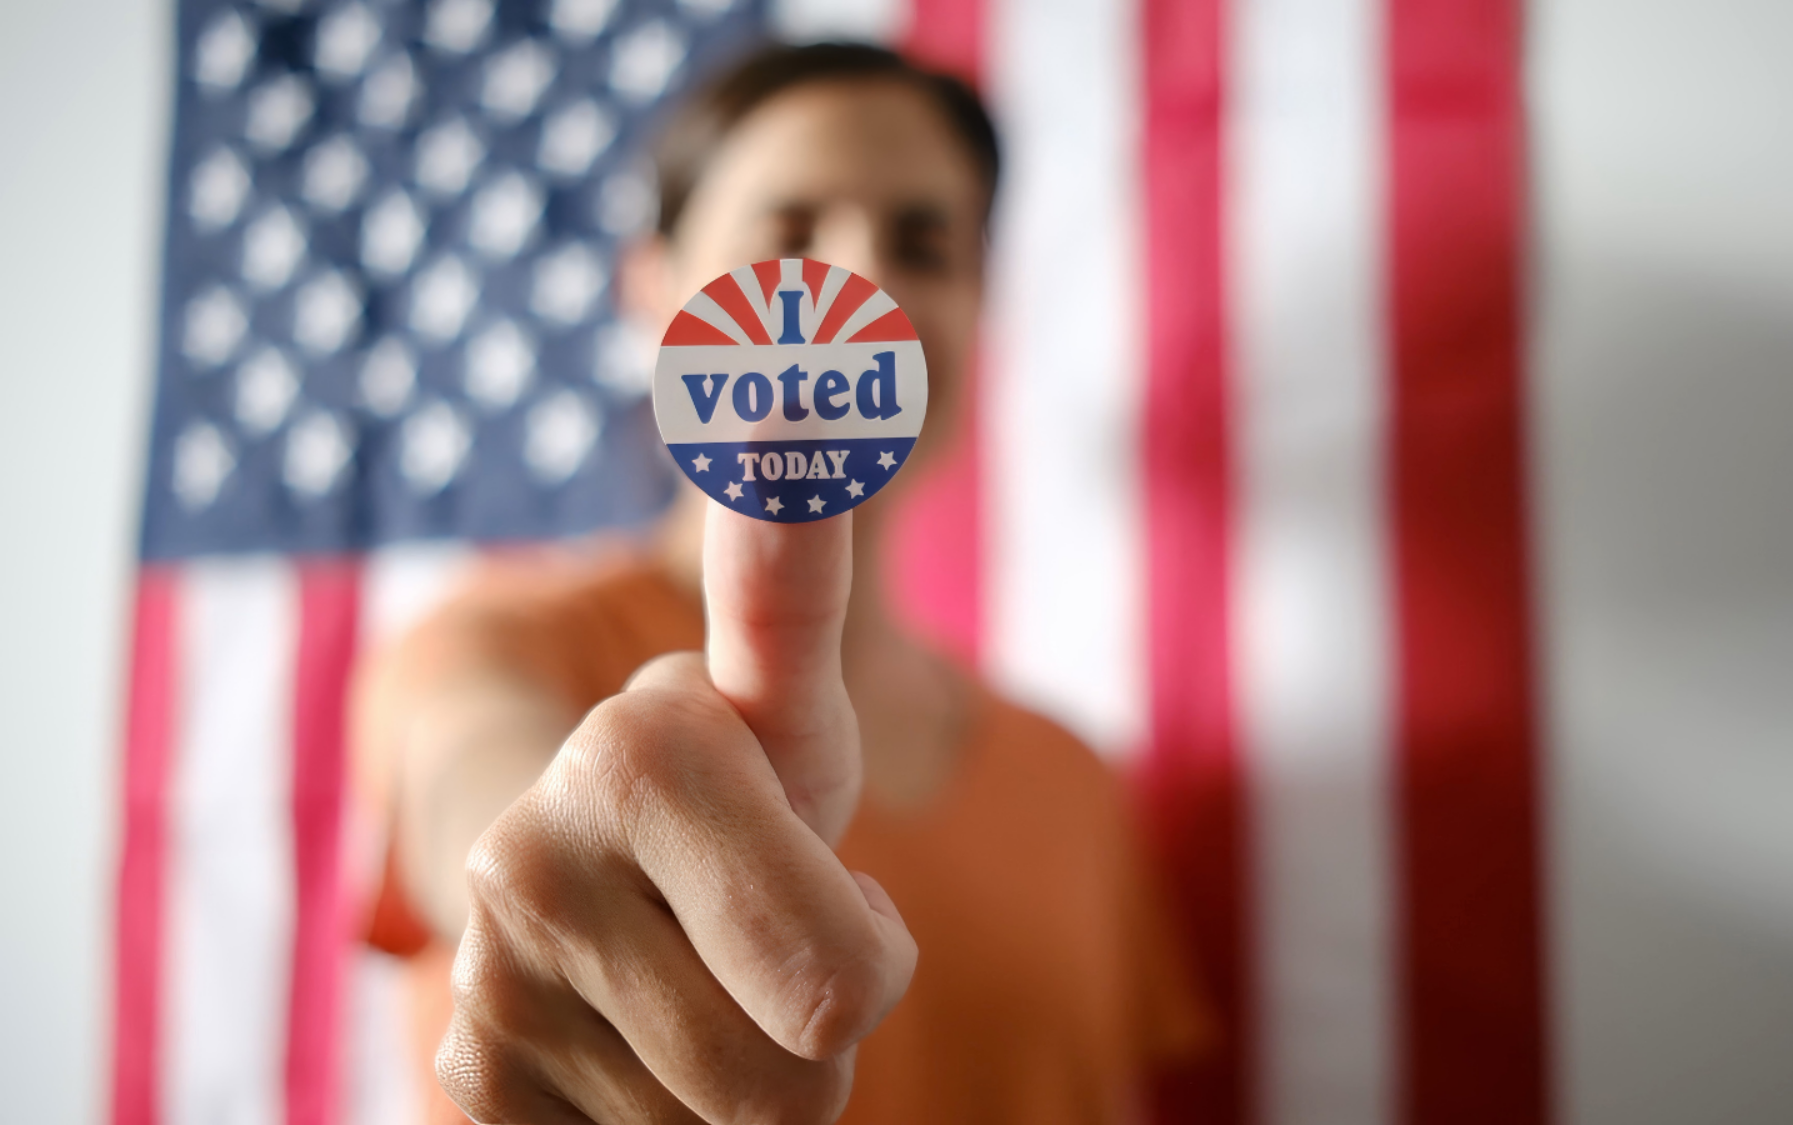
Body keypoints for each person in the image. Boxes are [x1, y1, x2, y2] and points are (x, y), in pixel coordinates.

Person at [352, 42, 1206, 1125]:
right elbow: (472, 775)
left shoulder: (1073, 783)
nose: (864, 285)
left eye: (924, 243)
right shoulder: (488, 648)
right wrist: (553, 856)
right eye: (787, 235)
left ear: (977, 307)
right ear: (654, 293)